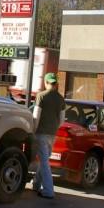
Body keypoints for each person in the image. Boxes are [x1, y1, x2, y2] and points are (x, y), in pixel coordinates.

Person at [32, 72, 65, 200]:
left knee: (44, 162)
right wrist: (54, 127)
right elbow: (61, 120)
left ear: (46, 83)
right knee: (44, 160)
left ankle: (48, 191)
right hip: (53, 134)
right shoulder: (60, 98)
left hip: (41, 133)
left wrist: (33, 130)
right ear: (56, 83)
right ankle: (36, 184)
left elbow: (36, 116)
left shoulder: (41, 96)